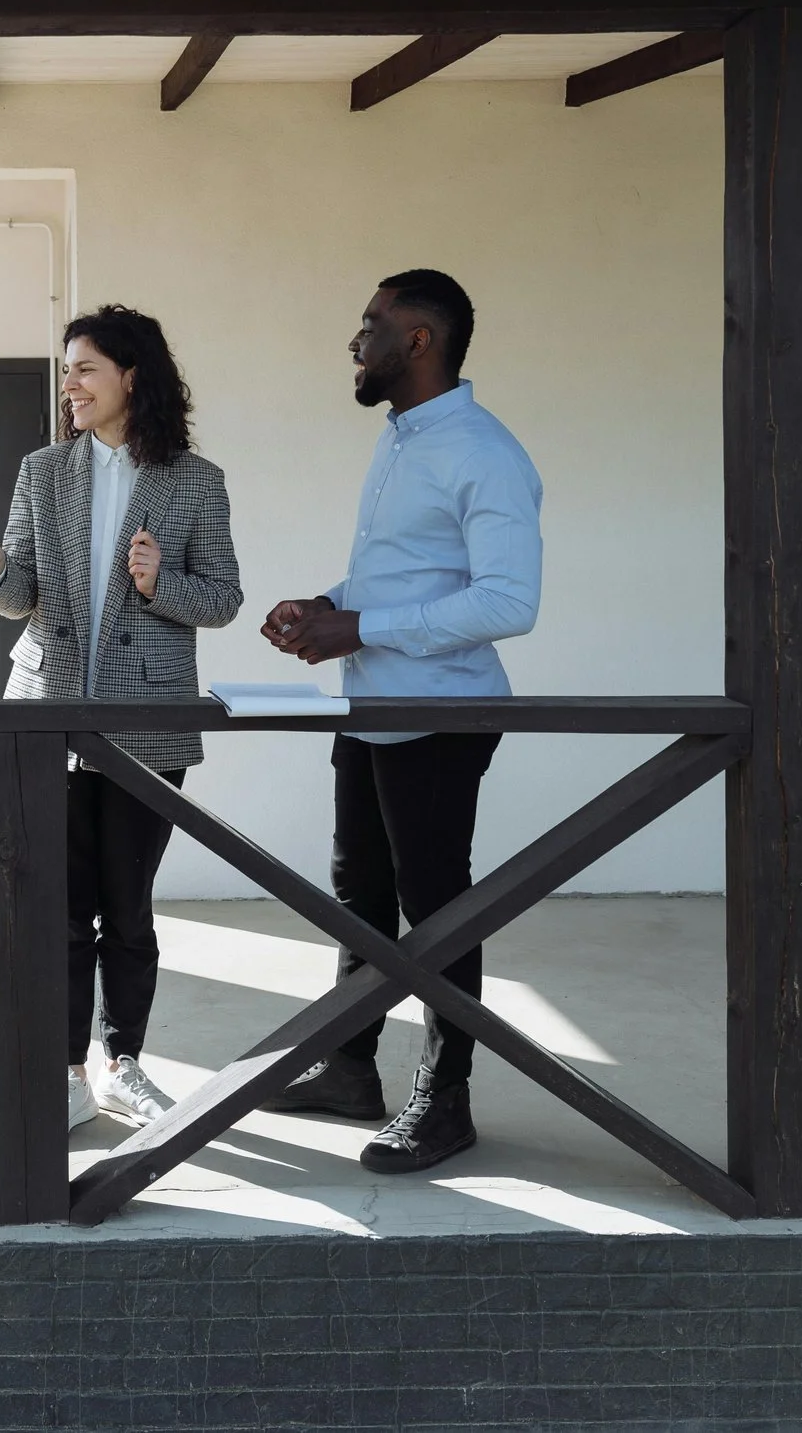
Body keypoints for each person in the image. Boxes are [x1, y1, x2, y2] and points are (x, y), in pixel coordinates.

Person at [258, 269, 542, 1174]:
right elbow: (401, 576)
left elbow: (510, 600)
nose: (357, 339)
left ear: (419, 340)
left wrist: (361, 627)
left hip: (441, 714)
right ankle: (350, 1069)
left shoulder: (485, 452)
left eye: (372, 323)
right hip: (371, 706)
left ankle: (446, 1100)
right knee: (361, 897)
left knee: (438, 910)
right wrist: (325, 606)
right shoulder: (401, 438)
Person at [0, 305, 243, 1132]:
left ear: (131, 375)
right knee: (58, 909)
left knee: (128, 908)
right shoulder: (43, 470)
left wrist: (162, 585)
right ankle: (66, 1073)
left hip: (149, 720)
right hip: (46, 715)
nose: (71, 385)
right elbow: (20, 596)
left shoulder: (197, 480)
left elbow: (223, 598)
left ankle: (125, 1063)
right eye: (67, 371)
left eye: (85, 368)